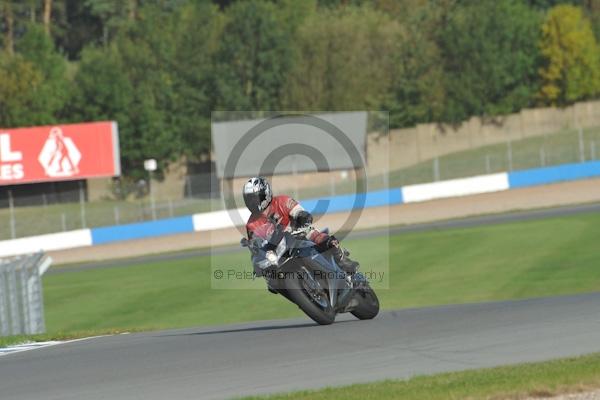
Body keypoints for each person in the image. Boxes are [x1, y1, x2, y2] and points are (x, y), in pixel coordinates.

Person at [243, 176, 359, 274]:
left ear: (265, 194)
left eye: (255, 198)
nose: (252, 203)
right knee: (270, 276)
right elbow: (256, 247)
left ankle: (343, 261)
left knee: (321, 238)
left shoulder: (282, 201)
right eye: (249, 200)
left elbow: (298, 211)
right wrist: (256, 253)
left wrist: (302, 216)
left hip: (299, 233)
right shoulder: (251, 224)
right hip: (278, 252)